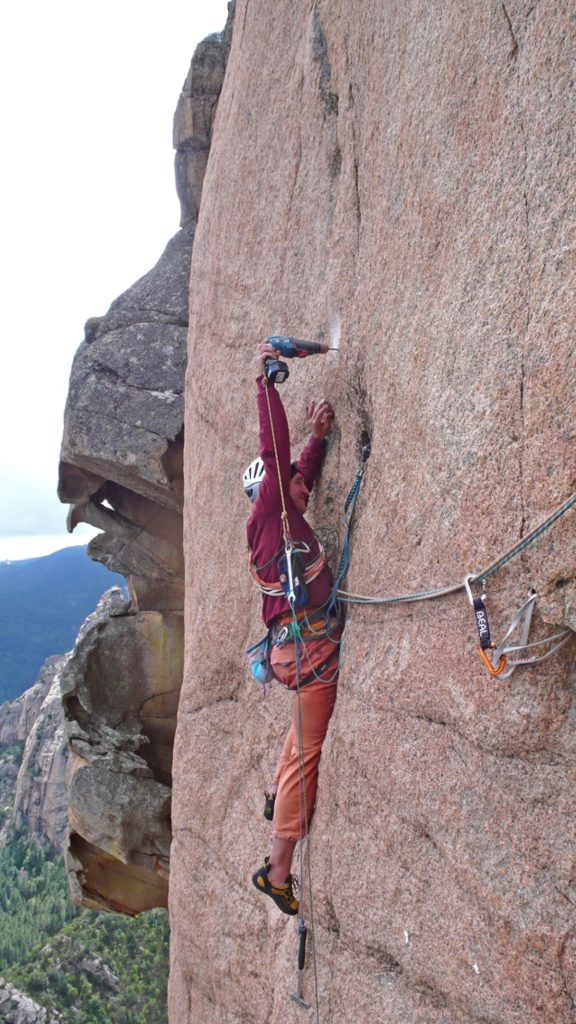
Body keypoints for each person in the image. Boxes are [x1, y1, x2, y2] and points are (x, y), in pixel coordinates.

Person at [246, 339, 340, 915]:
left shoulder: (286, 515)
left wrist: (320, 438)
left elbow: (297, 471)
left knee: (296, 736)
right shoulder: (267, 519)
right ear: (271, 493)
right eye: (289, 481)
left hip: (293, 652)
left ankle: (273, 795)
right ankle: (278, 870)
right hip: (309, 652)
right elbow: (277, 455)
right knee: (309, 748)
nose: (302, 483)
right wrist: (265, 387)